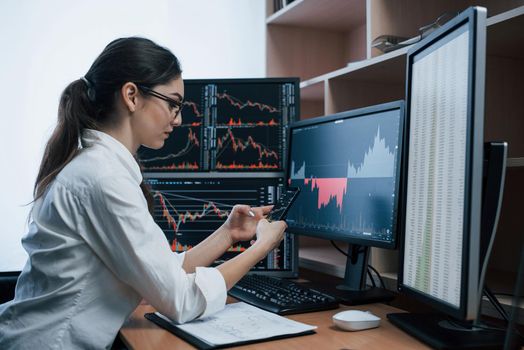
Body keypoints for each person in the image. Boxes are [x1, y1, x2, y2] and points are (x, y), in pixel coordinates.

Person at [0, 37, 287, 349]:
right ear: (132, 96)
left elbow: (162, 271)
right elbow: (181, 300)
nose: (177, 119)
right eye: (172, 104)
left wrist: (228, 234)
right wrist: (261, 247)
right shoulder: (103, 177)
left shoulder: (97, 166)